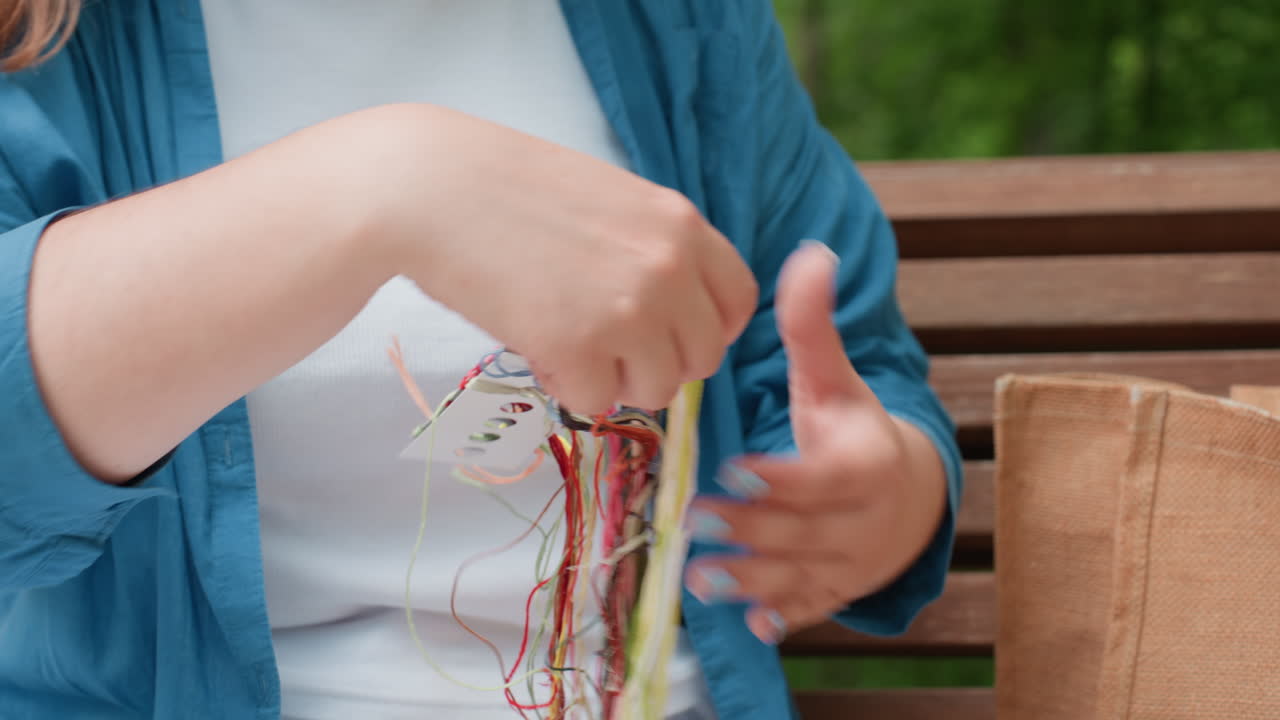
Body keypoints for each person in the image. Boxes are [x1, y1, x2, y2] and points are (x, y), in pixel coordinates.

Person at [0, 1, 963, 719]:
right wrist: (383, 186)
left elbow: (857, 368)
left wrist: (883, 496)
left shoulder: (680, 20)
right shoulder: (38, 41)